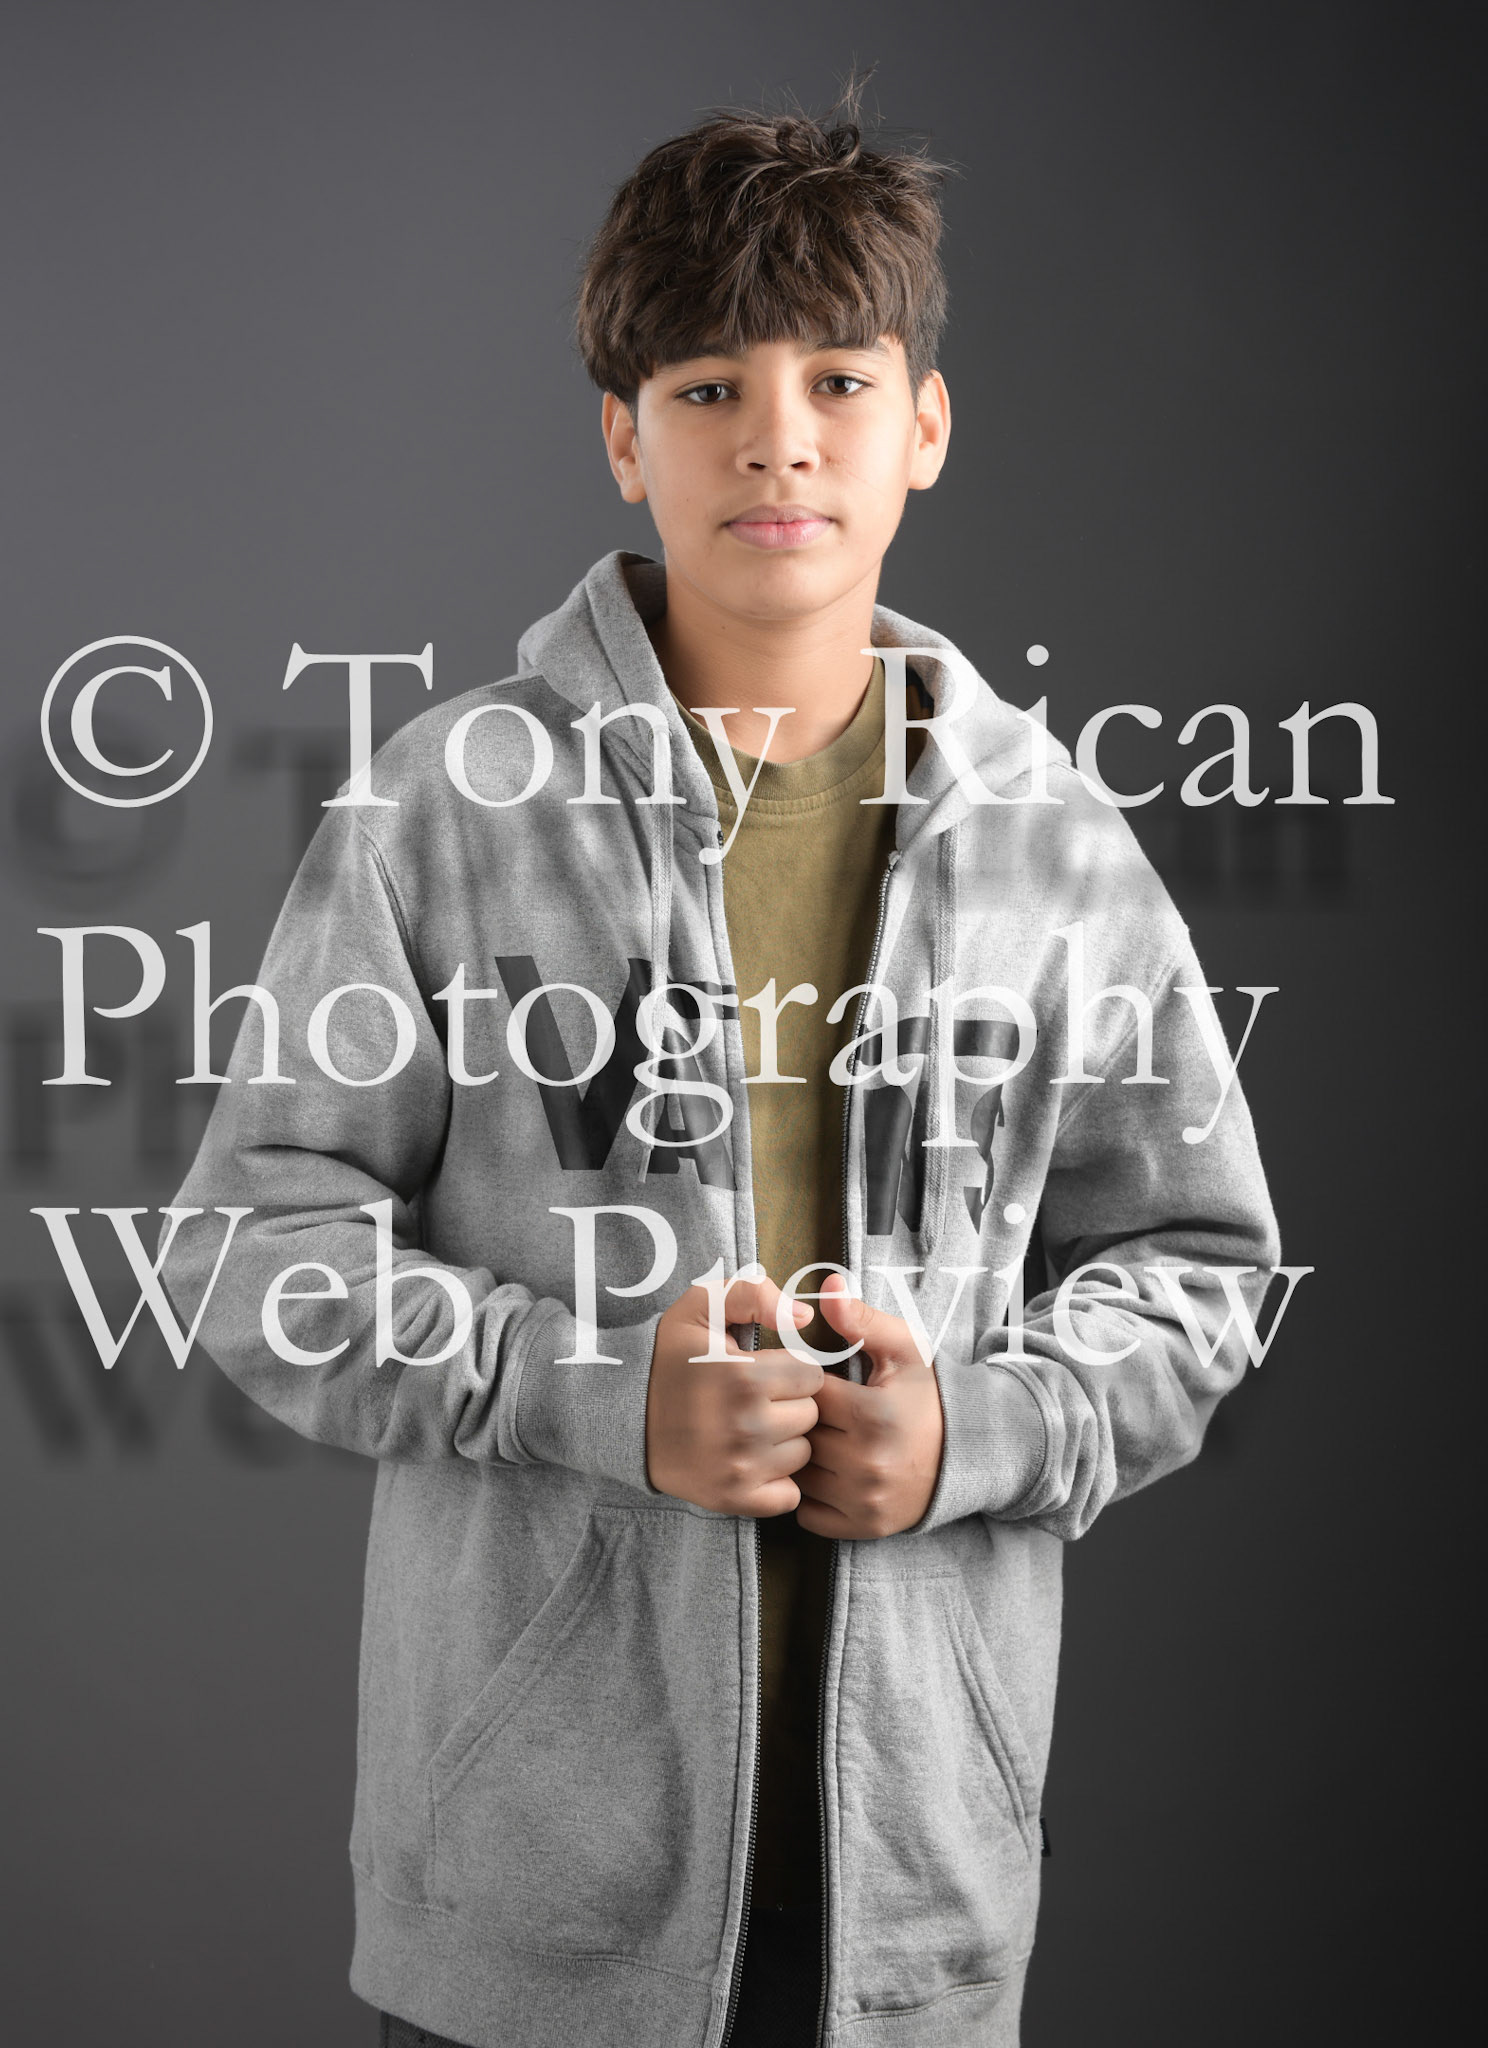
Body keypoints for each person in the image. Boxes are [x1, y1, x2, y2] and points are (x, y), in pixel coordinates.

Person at [162, 84, 1280, 2048]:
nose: (779, 435)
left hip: (918, 1927)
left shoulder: (1057, 843)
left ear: (925, 427)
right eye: (707, 388)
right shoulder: (446, 811)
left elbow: (1198, 1263)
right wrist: (598, 1397)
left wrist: (980, 1433)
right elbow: (250, 1252)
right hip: (517, 1922)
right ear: (624, 435)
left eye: (840, 379)